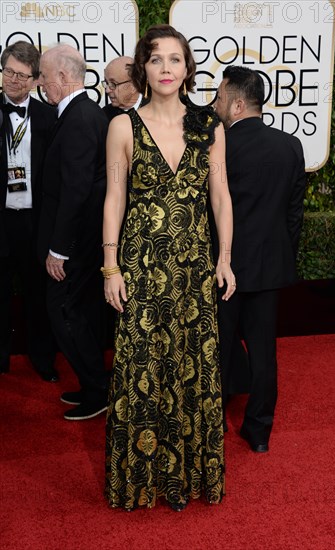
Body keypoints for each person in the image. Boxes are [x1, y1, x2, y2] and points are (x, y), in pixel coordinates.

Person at [102, 24, 235, 511]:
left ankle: (188, 477)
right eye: (155, 60)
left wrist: (225, 259)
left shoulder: (209, 126)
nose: (165, 69)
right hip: (140, 264)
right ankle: (140, 478)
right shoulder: (123, 126)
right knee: (141, 364)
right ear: (143, 67)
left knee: (191, 366)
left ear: (187, 69)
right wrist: (110, 266)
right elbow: (114, 199)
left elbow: (220, 197)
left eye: (174, 59)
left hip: (195, 266)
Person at [214, 66, 306, 452]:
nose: (214, 105)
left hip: (225, 268)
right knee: (264, 352)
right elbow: (294, 214)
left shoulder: (219, 147)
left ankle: (212, 424)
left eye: (219, 98)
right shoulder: (290, 145)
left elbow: (209, 210)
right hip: (269, 267)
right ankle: (259, 432)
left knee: (216, 348)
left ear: (236, 105)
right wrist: (281, 255)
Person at [37, 44, 110, 420]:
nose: (40, 85)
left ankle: (98, 389)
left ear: (63, 78)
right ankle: (92, 384)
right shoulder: (80, 113)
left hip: (75, 244)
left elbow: (77, 190)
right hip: (80, 240)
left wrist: (59, 250)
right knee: (74, 312)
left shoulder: (80, 118)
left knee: (65, 311)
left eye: (44, 78)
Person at [0, 41, 58, 381]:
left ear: (36, 80)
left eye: (23, 76)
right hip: (2, 218)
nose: (14, 81)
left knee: (39, 293)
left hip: (36, 220)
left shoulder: (49, 117)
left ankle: (42, 358)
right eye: (9, 72)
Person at [102, 56, 145, 121]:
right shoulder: (104, 115)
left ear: (133, 86)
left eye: (113, 84)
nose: (107, 90)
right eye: (106, 83)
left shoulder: (156, 111)